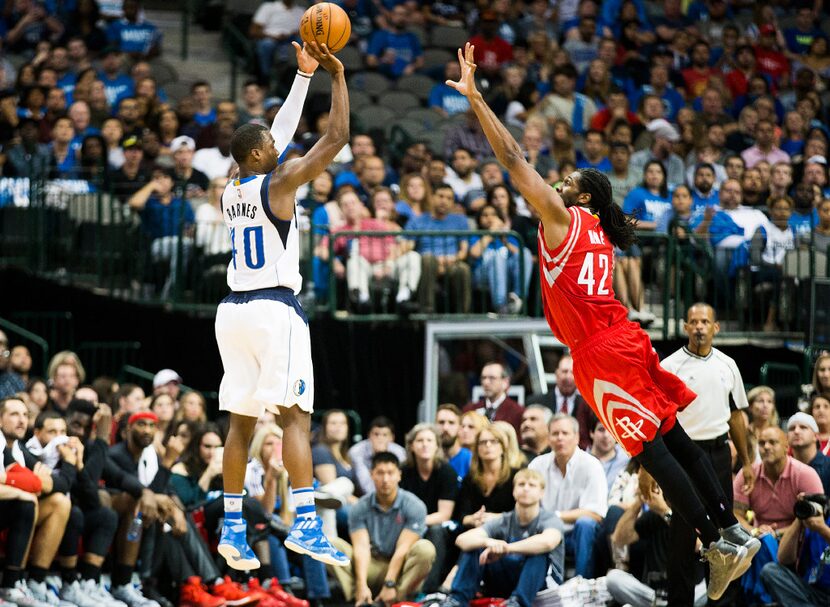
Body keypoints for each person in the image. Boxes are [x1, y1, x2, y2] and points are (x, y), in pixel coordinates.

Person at [446, 42, 759, 601]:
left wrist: (476, 100)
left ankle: (717, 540)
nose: (557, 185)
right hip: (626, 338)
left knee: (651, 454)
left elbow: (514, 159)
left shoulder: (565, 221)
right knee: (675, 437)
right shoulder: (602, 241)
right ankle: (730, 527)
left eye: (566, 183)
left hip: (601, 350)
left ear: (582, 197)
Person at [216, 40, 350, 571]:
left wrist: (301, 77)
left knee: (241, 424)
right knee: (297, 420)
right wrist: (335, 77)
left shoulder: (232, 189)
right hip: (275, 311)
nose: (279, 142)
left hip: (232, 312)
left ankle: (232, 531)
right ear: (258, 155)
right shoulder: (282, 180)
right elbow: (335, 137)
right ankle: (307, 526)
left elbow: (279, 135)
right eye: (270, 142)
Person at [660, 302, 755, 607]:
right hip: (682, 455)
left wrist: (748, 461)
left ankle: (722, 603)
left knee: (729, 535)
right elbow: (655, 421)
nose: (699, 327)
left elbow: (737, 416)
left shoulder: (728, 364)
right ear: (685, 327)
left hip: (717, 454)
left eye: (705, 321)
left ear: (715, 327)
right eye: (693, 322)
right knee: (682, 536)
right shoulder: (670, 366)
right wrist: (648, 471)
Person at [439, 469, 564, 607]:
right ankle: (457, 601)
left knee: (539, 553)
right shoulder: (504, 520)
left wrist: (506, 548)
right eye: (521, 484)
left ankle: (517, 603)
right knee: (475, 544)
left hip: (541, 586)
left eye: (532, 485)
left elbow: (548, 542)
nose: (526, 489)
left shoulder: (550, 519)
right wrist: (489, 542)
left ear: (542, 493)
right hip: (504, 581)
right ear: (513, 491)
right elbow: (462, 540)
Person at [329, 452, 435, 605]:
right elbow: (361, 547)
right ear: (372, 475)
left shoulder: (415, 505)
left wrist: (389, 583)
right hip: (372, 564)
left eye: (390, 473)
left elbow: (403, 549)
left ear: (399, 475)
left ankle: (398, 598)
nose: (385, 479)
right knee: (331, 545)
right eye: (380, 473)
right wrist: (361, 583)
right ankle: (360, 597)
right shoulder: (359, 507)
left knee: (425, 549)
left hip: (400, 569)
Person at [528, 414, 607, 578]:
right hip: (545, 530)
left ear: (576, 437)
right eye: (555, 434)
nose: (560, 438)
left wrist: (555, 516)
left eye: (565, 433)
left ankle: (582, 585)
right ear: (548, 438)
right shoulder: (537, 465)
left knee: (586, 524)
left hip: (576, 535)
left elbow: (595, 514)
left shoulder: (591, 465)